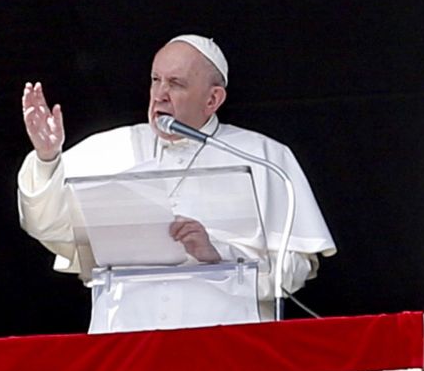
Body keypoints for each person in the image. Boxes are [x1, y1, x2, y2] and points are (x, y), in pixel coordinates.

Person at [18, 34, 335, 331]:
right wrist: (48, 160)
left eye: (176, 84)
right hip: (127, 341)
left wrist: (218, 255)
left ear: (212, 99)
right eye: (155, 80)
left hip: (224, 345)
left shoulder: (263, 156)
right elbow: (47, 226)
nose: (160, 95)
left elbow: (292, 271)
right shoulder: (108, 149)